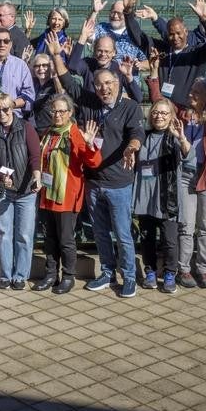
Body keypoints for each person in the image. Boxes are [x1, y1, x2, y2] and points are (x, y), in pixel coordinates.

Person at [50, 34, 145, 298]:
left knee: (123, 234)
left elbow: (137, 134)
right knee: (101, 232)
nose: (103, 88)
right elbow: (67, 79)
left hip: (119, 183)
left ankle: (128, 277)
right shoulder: (89, 104)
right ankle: (106, 272)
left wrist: (131, 148)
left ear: (117, 83)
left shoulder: (130, 107)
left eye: (108, 84)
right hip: (93, 181)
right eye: (99, 84)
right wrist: (57, 54)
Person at [148, 49, 206, 290]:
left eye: (197, 92)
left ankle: (203, 269)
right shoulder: (181, 113)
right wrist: (153, 74)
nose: (191, 94)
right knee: (186, 225)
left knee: (205, 227)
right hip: (184, 176)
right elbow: (158, 101)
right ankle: (183, 268)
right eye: (191, 91)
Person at [34, 94, 101, 295]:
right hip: (48, 193)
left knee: (65, 239)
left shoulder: (75, 133)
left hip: (66, 196)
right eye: (54, 111)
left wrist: (89, 145)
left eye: (62, 111)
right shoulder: (48, 132)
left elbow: (94, 162)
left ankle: (68, 276)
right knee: (50, 239)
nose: (57, 114)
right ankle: (50, 274)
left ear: (70, 113)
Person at [126, 0, 206, 108]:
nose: (175, 37)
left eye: (178, 33)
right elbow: (138, 38)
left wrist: (205, 19)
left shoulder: (197, 54)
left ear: (186, 32)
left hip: (188, 112)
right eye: (171, 34)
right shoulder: (161, 51)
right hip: (164, 110)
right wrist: (128, 13)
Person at [0, 92, 42, 290]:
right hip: (3, 190)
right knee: (3, 233)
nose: (2, 113)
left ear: (12, 108)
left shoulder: (26, 128)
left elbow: (35, 155)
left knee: (24, 235)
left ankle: (20, 275)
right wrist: (2, 177)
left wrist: (36, 175)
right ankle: (5, 274)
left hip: (26, 190)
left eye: (5, 108)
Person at [133, 99, 190, 294]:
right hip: (145, 196)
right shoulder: (144, 136)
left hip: (168, 197)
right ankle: (150, 272)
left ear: (171, 116)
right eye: (156, 112)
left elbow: (188, 155)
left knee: (169, 240)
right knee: (147, 237)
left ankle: (169, 274)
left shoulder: (174, 137)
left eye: (165, 113)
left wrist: (182, 138)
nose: (159, 116)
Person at [69, 13, 141, 101]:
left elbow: (138, 98)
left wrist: (129, 76)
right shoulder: (88, 64)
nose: (103, 54)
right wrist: (83, 37)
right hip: (90, 110)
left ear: (114, 53)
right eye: (100, 50)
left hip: (112, 112)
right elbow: (72, 67)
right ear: (94, 51)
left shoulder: (119, 69)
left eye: (107, 51)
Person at [91, 0, 147, 77]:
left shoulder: (135, 34)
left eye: (119, 13)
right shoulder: (101, 28)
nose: (115, 16)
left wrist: (139, 65)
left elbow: (150, 62)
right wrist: (94, 12)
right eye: (113, 12)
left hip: (128, 86)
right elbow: (86, 33)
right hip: (102, 84)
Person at [29, 53, 62, 135]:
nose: (41, 68)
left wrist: (55, 76)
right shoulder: (34, 84)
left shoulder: (53, 85)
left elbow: (61, 95)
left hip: (49, 132)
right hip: (34, 130)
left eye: (44, 65)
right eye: (37, 66)